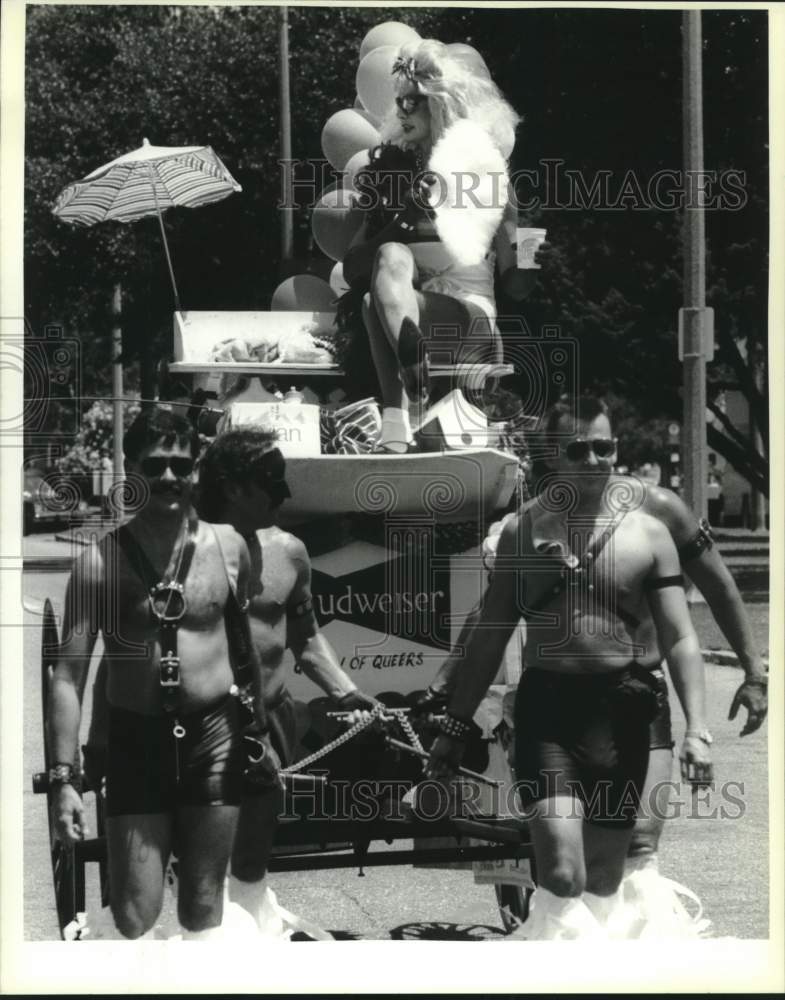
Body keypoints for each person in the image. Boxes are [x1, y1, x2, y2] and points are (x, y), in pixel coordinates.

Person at [417, 399, 767, 933]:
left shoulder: (658, 517)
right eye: (577, 449)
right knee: (561, 872)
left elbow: (702, 606)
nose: (594, 459)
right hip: (551, 706)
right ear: (552, 456)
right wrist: (455, 720)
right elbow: (491, 627)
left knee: (616, 870)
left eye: (604, 447)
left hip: (628, 705)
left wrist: (749, 676)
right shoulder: (523, 528)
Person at [48, 407, 277, 940]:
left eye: (181, 464)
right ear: (131, 471)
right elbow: (68, 677)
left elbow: (245, 649)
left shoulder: (231, 548)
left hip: (214, 737)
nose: (169, 477)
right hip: (137, 741)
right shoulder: (98, 564)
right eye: (154, 465)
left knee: (202, 907)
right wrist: (66, 781)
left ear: (197, 469)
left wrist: (259, 732)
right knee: (135, 915)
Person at [196, 427, 381, 937]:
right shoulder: (183, 548)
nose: (286, 495)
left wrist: (344, 690)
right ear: (233, 486)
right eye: (272, 483)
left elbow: (307, 638)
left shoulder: (290, 553)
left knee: (252, 859)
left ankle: (248, 939)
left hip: (269, 723)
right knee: (205, 857)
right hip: (197, 722)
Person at [341, 38, 522, 452]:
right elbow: (353, 269)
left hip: (469, 317)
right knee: (385, 267)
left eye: (413, 102)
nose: (401, 110)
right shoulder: (386, 173)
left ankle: (397, 417)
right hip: (406, 311)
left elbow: (517, 285)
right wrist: (405, 217)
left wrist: (530, 259)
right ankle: (407, 386)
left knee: (379, 298)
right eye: (399, 101)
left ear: (441, 104)